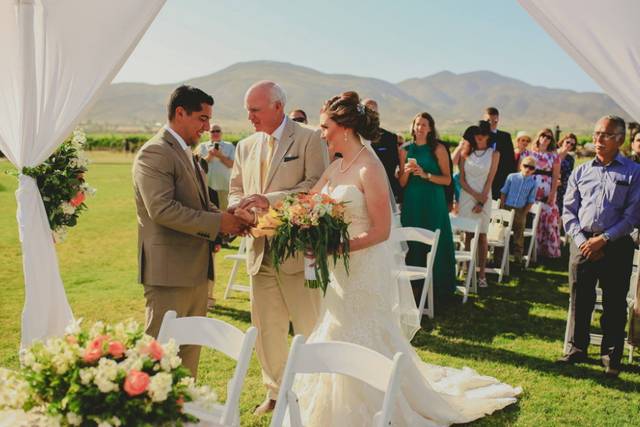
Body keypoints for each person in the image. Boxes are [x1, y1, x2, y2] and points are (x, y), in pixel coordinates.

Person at [286, 91, 521, 427]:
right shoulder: (336, 166)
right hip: (339, 271)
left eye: (325, 126)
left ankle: (376, 403)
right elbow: (309, 201)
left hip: (362, 267)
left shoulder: (369, 167)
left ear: (346, 128)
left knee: (361, 331)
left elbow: (381, 231)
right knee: (335, 327)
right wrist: (292, 218)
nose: (320, 133)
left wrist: (336, 248)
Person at [227, 81, 329, 415]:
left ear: (277, 107)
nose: (249, 117)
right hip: (259, 250)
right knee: (266, 326)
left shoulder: (310, 138)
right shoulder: (244, 146)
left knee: (309, 323)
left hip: (303, 252)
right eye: (247, 110)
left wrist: (267, 200)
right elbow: (236, 188)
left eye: (255, 110)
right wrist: (237, 209)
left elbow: (316, 186)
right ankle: (275, 392)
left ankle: (315, 392)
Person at [132, 85, 247, 377]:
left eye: (209, 120)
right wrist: (218, 223)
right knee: (157, 363)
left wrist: (229, 218)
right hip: (169, 275)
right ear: (180, 113)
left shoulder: (188, 153)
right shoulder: (155, 152)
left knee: (187, 361)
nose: (208, 127)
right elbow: (162, 209)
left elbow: (201, 205)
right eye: (202, 118)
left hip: (196, 272)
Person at [558, 115, 640, 378]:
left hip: (616, 246)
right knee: (580, 299)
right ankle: (576, 348)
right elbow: (568, 211)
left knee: (615, 303)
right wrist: (583, 241)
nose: (598, 140)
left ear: (620, 139)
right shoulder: (581, 170)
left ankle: (611, 355)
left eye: (604, 135)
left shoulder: (634, 172)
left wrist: (603, 239)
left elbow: (633, 215)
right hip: (581, 244)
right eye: (596, 134)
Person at [400, 112, 457, 303]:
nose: (420, 128)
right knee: (412, 241)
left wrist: (426, 175)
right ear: (413, 126)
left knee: (435, 240)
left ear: (430, 128)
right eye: (417, 124)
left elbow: (448, 179)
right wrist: (407, 172)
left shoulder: (438, 148)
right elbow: (401, 183)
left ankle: (440, 290)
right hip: (412, 202)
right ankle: (413, 290)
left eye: (424, 125)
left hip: (433, 201)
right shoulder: (404, 149)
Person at [458, 121, 500, 287]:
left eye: (483, 133)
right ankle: (469, 271)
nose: (479, 136)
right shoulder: (465, 153)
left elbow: (491, 179)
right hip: (467, 195)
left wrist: (482, 201)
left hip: (485, 195)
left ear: (488, 136)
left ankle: (481, 273)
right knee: (467, 234)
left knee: (482, 236)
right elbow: (461, 179)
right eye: (476, 133)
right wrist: (475, 196)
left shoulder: (494, 154)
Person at [521, 129, 562, 258]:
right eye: (543, 135)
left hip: (547, 190)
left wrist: (552, 194)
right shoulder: (528, 154)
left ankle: (549, 252)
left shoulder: (554, 156)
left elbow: (556, 176)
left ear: (551, 140)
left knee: (549, 219)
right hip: (530, 189)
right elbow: (521, 172)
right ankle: (532, 251)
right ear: (538, 137)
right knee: (532, 220)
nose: (545, 138)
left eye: (549, 137)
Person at [362, 98, 404, 203]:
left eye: (373, 111)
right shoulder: (352, 136)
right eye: (367, 110)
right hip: (360, 191)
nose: (370, 114)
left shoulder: (390, 138)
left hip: (384, 192)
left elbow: (394, 166)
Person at [500, 156, 538, 265]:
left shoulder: (533, 183)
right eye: (525, 166)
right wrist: (502, 208)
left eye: (531, 168)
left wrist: (523, 214)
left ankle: (518, 260)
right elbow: (504, 192)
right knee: (501, 233)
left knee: (519, 236)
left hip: (520, 210)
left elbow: (531, 200)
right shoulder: (512, 177)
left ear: (534, 170)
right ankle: (498, 258)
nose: (527, 169)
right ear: (521, 166)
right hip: (507, 207)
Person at [197, 124, 235, 210]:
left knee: (225, 210)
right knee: (208, 211)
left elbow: (232, 165)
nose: (215, 133)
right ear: (208, 133)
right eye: (212, 131)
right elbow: (198, 166)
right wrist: (210, 156)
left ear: (221, 133)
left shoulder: (229, 146)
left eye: (217, 131)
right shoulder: (202, 146)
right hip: (206, 186)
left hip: (224, 185)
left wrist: (220, 156)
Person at [484, 107, 516, 200]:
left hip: (499, 179)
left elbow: (510, 161)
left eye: (495, 121)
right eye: (488, 121)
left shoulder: (505, 137)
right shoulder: (479, 136)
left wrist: (509, 183)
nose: (491, 124)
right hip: (481, 177)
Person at [556, 133, 577, 216]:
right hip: (549, 186)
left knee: (558, 213)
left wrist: (562, 183)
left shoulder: (570, 159)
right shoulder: (552, 154)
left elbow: (569, 175)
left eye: (572, 144)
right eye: (567, 142)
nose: (569, 145)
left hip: (562, 189)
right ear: (562, 141)